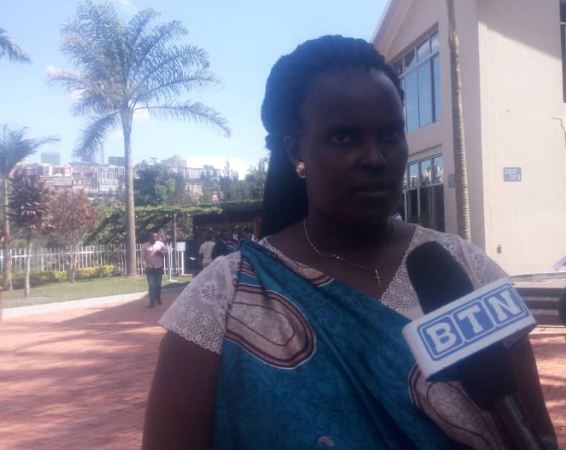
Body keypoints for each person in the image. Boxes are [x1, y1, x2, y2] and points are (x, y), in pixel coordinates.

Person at [143, 36, 557, 449]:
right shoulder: (225, 296)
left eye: (390, 134)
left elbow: (535, 434)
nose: (375, 158)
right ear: (296, 151)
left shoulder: (465, 269)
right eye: (344, 138)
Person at [141, 232, 167, 308]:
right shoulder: (145, 245)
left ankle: (158, 298)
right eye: (153, 237)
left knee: (158, 284)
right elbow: (142, 257)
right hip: (150, 268)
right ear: (149, 238)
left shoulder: (160, 244)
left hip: (159, 267)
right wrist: (145, 266)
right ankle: (152, 301)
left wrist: (161, 252)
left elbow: (166, 252)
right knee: (152, 285)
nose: (155, 238)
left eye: (156, 237)